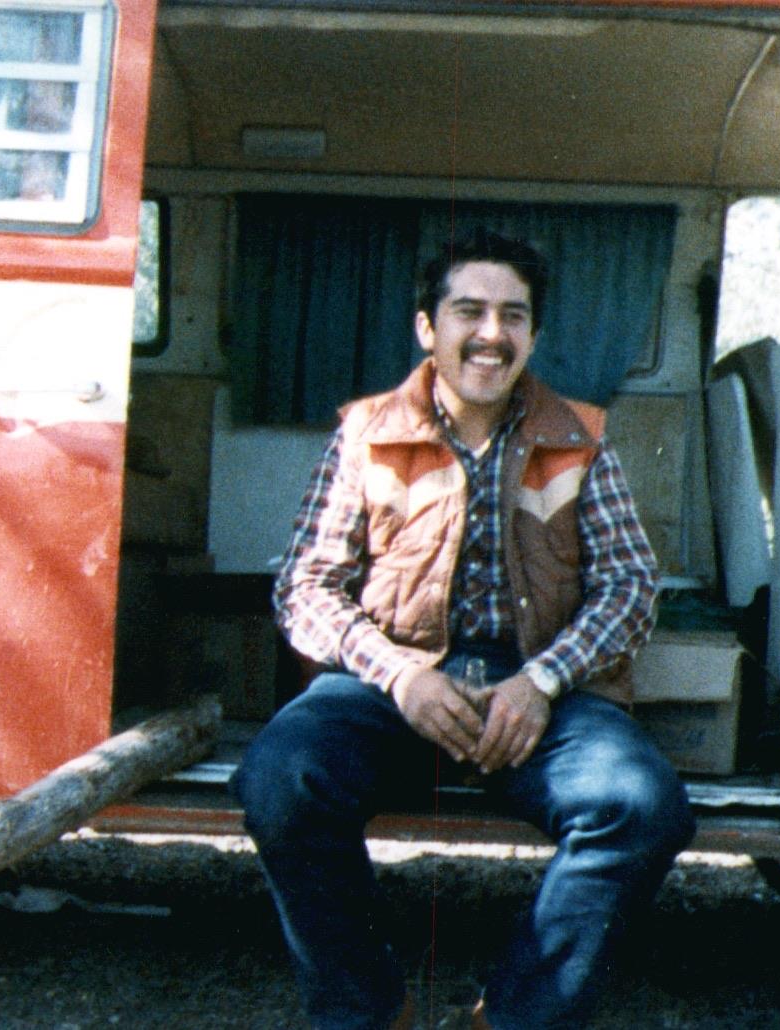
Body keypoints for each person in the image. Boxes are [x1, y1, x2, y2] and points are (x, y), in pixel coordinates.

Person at [232, 228, 695, 1030]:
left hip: (541, 691)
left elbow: (629, 587)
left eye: (513, 315)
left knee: (641, 803)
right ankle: (369, 1012)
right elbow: (304, 585)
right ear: (427, 328)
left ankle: (512, 1020)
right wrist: (399, 674)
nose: (491, 334)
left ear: (533, 336)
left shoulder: (580, 438)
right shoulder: (367, 432)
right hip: (391, 688)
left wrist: (543, 681)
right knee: (280, 778)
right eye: (468, 311)